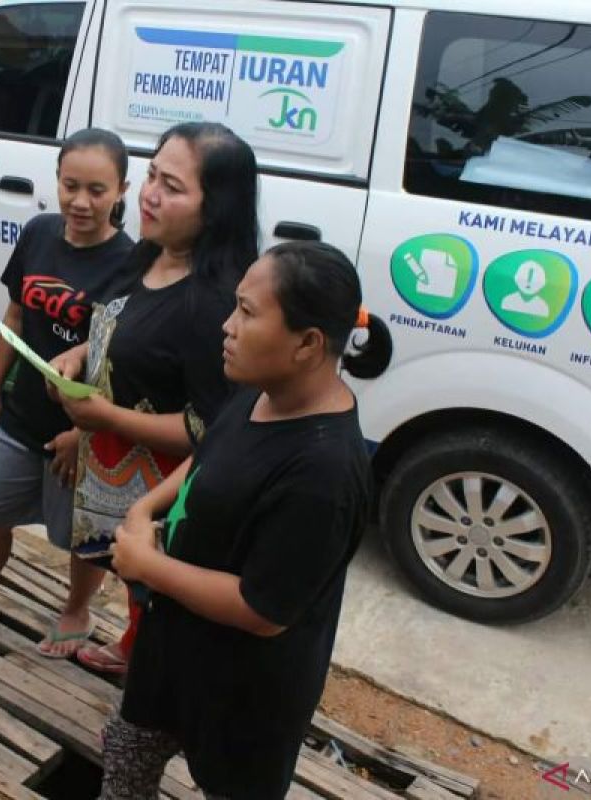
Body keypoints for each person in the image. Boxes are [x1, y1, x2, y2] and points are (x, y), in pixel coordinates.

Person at [99, 241, 394, 799]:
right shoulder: (260, 391)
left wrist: (148, 565)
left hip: (244, 691)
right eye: (235, 307)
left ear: (308, 344)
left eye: (248, 313)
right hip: (171, 649)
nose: (226, 327)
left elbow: (263, 610)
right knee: (126, 759)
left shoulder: (324, 473)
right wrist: (146, 507)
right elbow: (208, 452)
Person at [49, 122, 260, 674]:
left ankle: (144, 673)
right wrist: (79, 360)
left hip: (162, 488)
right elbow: (114, 330)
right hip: (111, 467)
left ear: (216, 208)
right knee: (131, 580)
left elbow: (208, 429)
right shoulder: (146, 254)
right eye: (150, 175)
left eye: (172, 185)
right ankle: (131, 647)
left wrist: (103, 416)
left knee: (156, 590)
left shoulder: (214, 302)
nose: (149, 194)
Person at [0, 129, 135, 657]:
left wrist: (81, 434)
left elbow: (124, 366)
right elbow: (15, 317)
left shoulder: (131, 265)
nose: (81, 202)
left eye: (97, 190)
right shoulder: (38, 233)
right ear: (56, 182)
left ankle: (77, 611)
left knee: (79, 538)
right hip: (23, 415)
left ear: (122, 191)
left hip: (81, 431)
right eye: (70, 185)